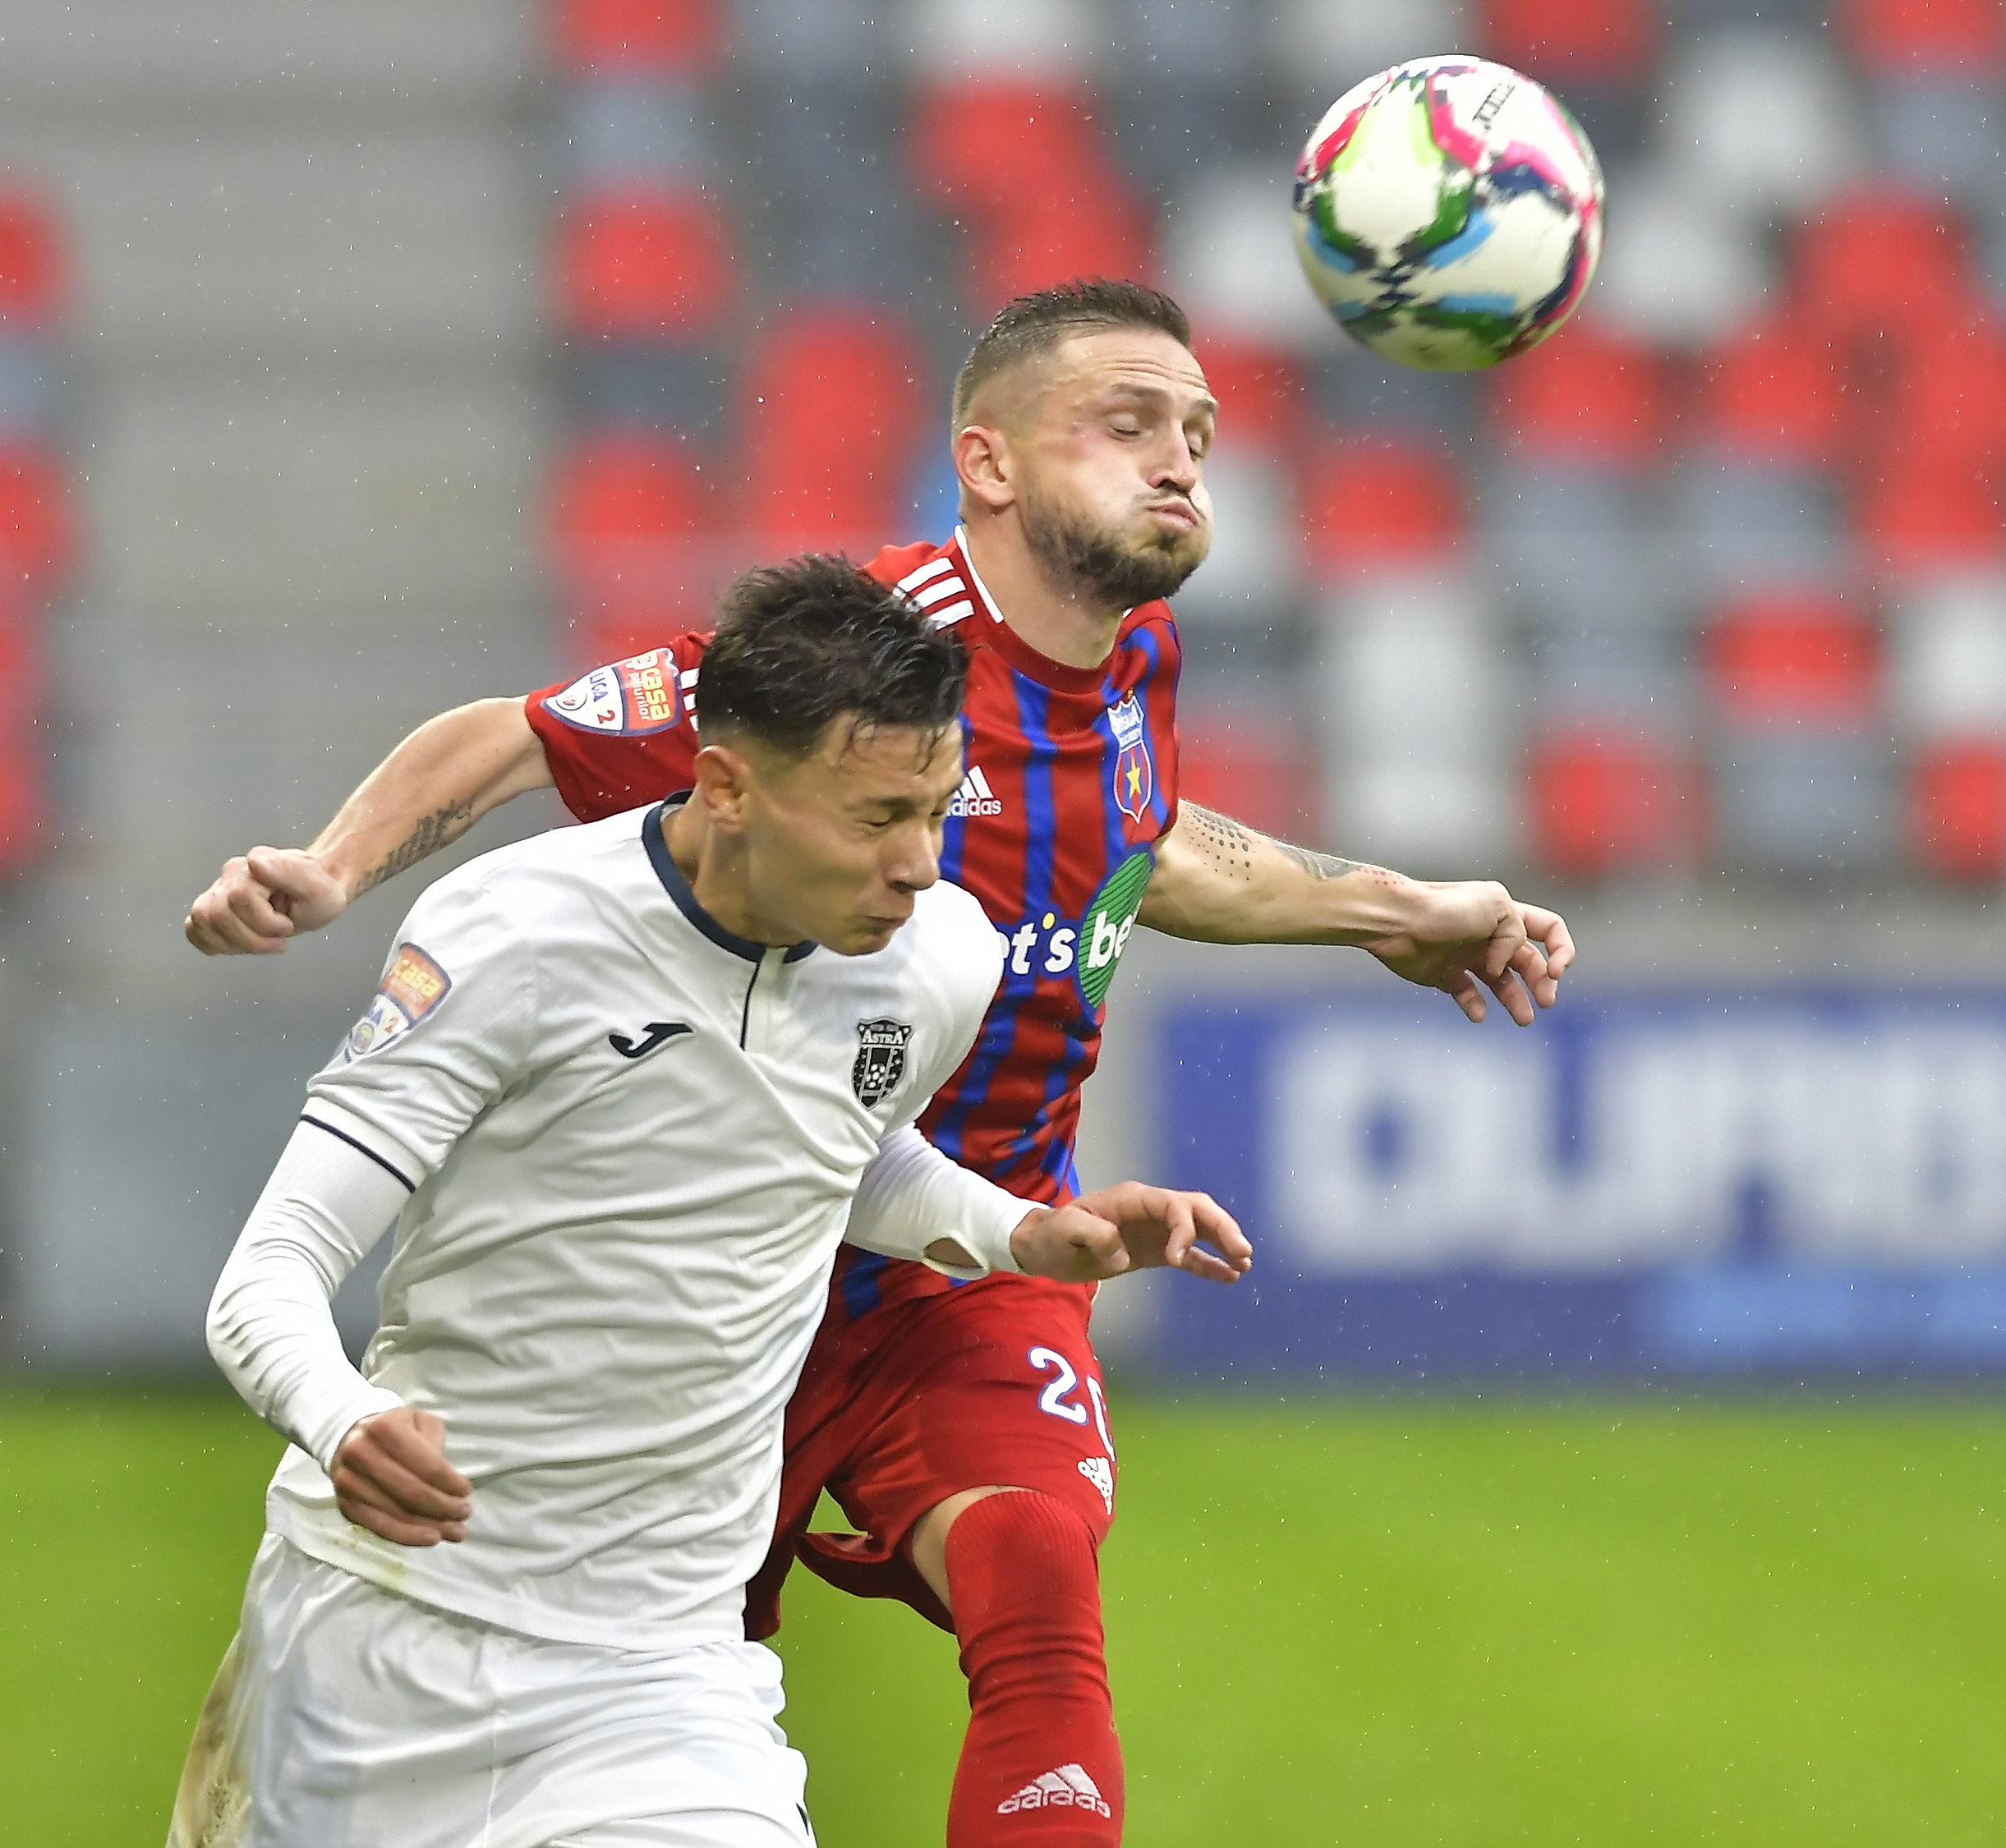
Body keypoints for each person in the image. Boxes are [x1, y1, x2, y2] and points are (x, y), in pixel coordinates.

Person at [185, 278, 1574, 1846]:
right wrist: (330, 866)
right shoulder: (861, 676)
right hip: (735, 1274)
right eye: (1126, 426)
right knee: (604, 1623)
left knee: (1037, 1590)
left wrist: (1388, 909)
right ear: (987, 463)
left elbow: (1136, 841)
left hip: (972, 1260)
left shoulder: (1137, 665)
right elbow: (521, 731)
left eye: (1197, 430)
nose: (1180, 461)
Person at [173, 557, 1247, 1848]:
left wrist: (1017, 1231)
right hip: (384, 1637)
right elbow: (269, 1271)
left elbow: (838, 1143)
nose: (918, 863)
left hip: (664, 1669)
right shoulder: (511, 935)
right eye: (872, 818)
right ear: (729, 786)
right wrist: (342, 1416)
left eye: (933, 809)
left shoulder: (937, 956)